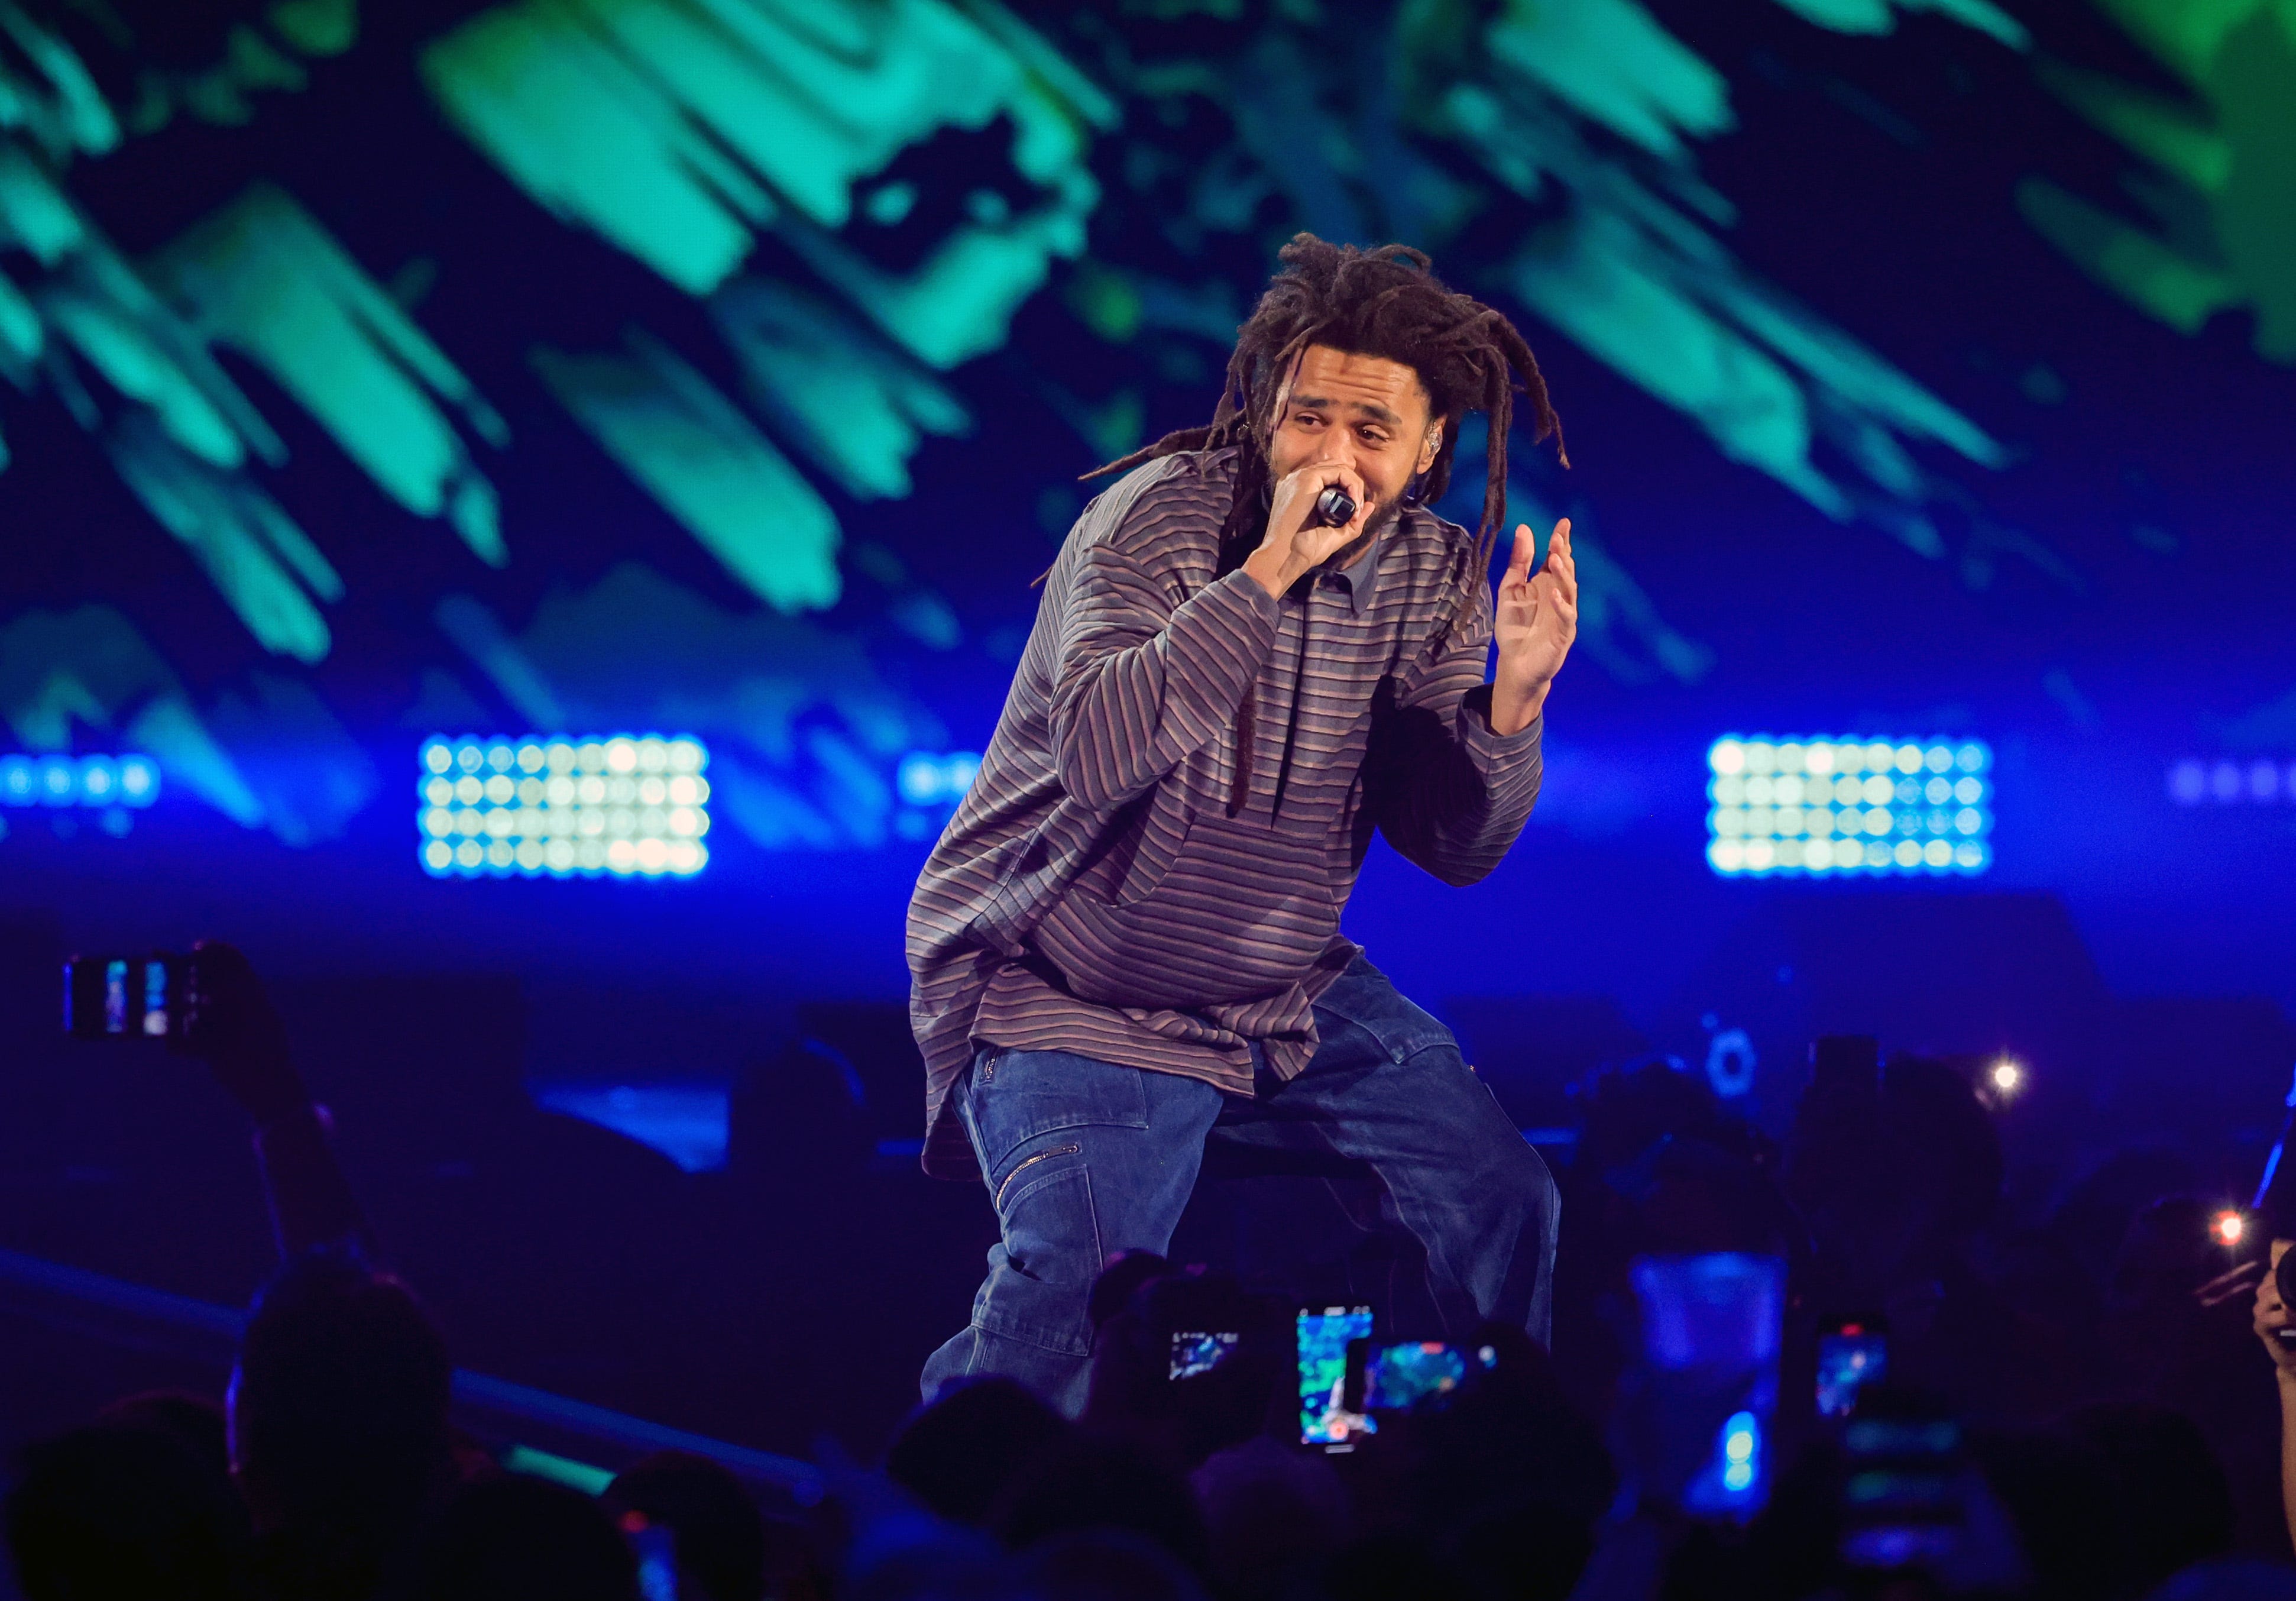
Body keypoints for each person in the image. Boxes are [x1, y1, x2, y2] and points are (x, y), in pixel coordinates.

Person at [909, 234, 1578, 1411]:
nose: (1330, 457)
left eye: (1370, 435)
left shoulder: (1431, 570)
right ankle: (942, 1520)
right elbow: (1103, 748)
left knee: (1501, 1198)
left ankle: (1427, 1455)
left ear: (1427, 451)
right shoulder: (1157, 522)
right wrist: (1267, 572)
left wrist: (1511, 699)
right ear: (1267, 405)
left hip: (1279, 985)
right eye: (1308, 418)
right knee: (1074, 1306)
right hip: (1068, 988)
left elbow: (1452, 845)